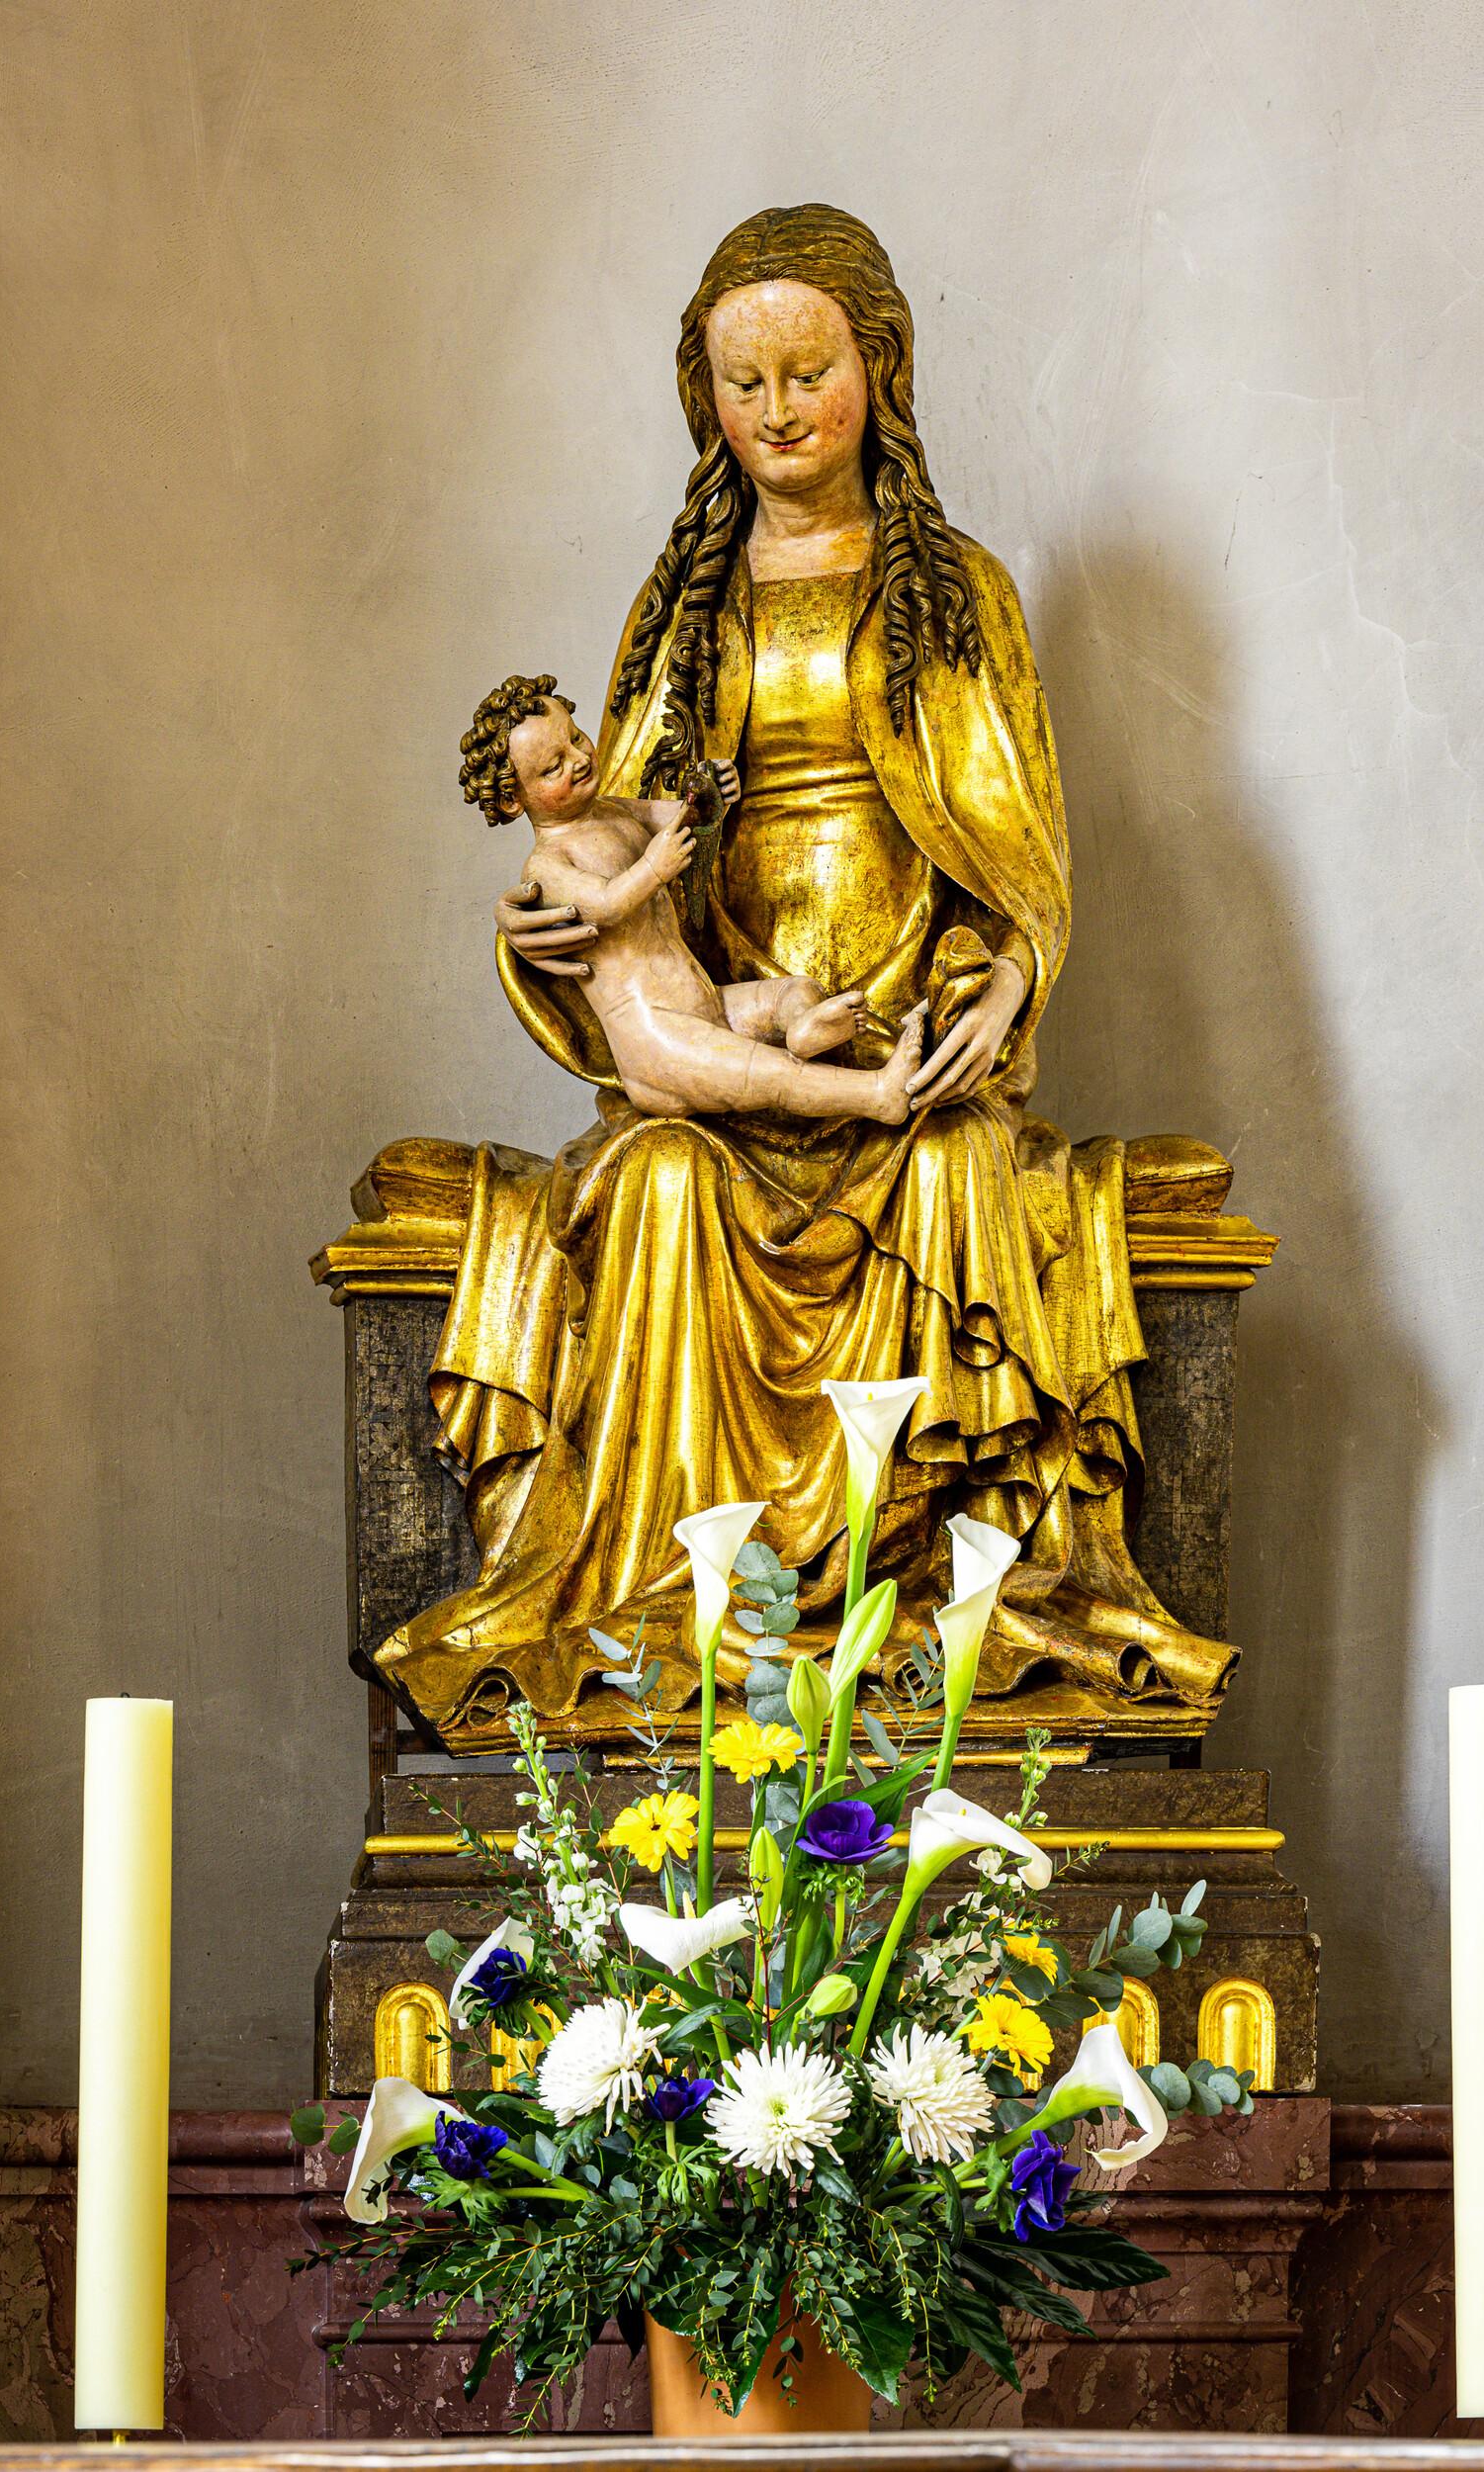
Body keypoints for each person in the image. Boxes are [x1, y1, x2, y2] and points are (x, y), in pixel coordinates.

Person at [374, 204, 1236, 1747]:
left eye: (809, 372)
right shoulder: (683, 606)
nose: (778, 410)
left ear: (880, 370)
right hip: (725, 1027)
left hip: (900, 1023)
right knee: (651, 1193)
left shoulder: (953, 592)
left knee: (965, 1171)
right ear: (704, 398)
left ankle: (936, 1617)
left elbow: (1012, 843)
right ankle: (675, 1623)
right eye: (744, 380)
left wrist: (999, 978)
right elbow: (605, 831)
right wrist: (550, 933)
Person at [459, 671, 924, 1123]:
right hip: (656, 1037)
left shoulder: (615, 811)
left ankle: (804, 1030)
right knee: (774, 1077)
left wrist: (711, 796)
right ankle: (877, 1095)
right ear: (510, 800)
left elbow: (684, 817)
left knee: (795, 989)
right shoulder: (547, 864)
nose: (578, 760)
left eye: (576, 739)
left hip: (708, 1005)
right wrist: (652, 869)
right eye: (552, 767)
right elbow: (604, 906)